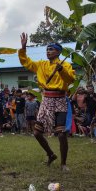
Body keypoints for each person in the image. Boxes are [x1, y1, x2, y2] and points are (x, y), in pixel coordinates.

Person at [18, 33, 75, 171]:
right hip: (46, 100)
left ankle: (63, 164)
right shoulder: (41, 64)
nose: (48, 51)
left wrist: (61, 70)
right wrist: (23, 48)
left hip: (60, 100)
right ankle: (51, 154)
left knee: (61, 134)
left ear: (58, 52)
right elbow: (27, 62)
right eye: (47, 49)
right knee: (37, 133)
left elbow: (70, 80)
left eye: (51, 49)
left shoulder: (65, 65)